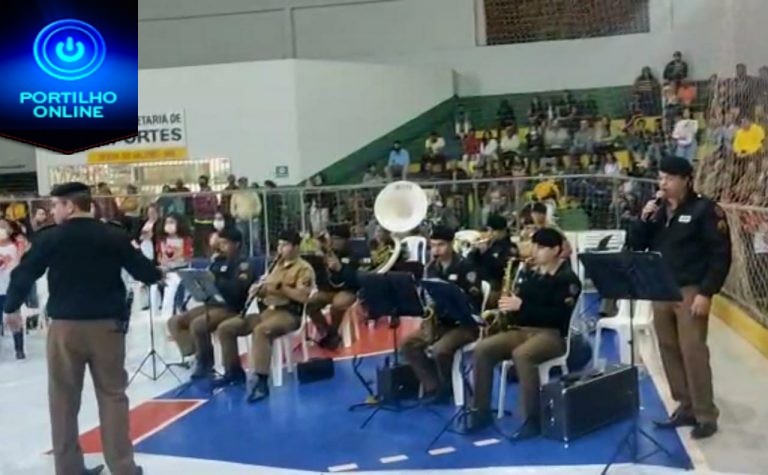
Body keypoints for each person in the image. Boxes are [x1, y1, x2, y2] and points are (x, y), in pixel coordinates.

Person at [3, 182, 160, 475]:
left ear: (70, 206)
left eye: (55, 205)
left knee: (62, 400)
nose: (53, 211)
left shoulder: (50, 238)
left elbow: (24, 273)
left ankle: (69, 468)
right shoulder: (114, 235)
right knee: (113, 397)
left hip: (65, 330)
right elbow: (146, 273)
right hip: (107, 329)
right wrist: (156, 272)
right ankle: (123, 467)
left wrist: (11, 307)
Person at [632, 156, 731, 440]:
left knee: (692, 350)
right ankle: (685, 405)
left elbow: (720, 254)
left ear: (686, 180)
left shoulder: (705, 210)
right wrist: (643, 219)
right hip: (661, 287)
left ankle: (705, 414)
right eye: (661, 177)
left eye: (670, 178)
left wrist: (706, 292)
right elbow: (636, 244)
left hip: (690, 289)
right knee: (668, 348)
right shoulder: (658, 211)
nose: (663, 183)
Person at [467, 228, 581, 439]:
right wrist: (507, 310)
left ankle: (533, 418)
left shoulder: (567, 280)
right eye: (534, 246)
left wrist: (522, 306)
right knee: (483, 348)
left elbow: (559, 316)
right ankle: (480, 410)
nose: (535, 251)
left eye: (541, 247)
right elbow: (521, 305)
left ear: (555, 250)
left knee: (523, 355)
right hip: (523, 330)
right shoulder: (530, 274)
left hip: (552, 335)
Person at [215, 230, 315, 401]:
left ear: (296, 247)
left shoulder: (304, 268)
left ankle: (261, 382)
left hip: (288, 313)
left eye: (285, 245)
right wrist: (258, 290)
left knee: (261, 331)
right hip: (267, 311)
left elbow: (303, 297)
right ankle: (233, 372)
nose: (280, 248)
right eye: (279, 244)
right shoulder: (274, 266)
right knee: (226, 327)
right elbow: (267, 290)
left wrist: (281, 288)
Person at [400, 225, 482, 404]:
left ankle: (448, 386)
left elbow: (474, 301)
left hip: (463, 325)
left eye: (441, 245)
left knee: (440, 350)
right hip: (441, 323)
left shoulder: (466, 267)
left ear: (451, 244)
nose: (436, 250)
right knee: (408, 344)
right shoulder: (431, 268)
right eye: (433, 245)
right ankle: (433, 386)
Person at [167, 227, 255, 378]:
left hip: (231, 307)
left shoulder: (243, 264)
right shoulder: (218, 261)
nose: (222, 247)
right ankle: (194, 355)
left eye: (225, 243)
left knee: (198, 324)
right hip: (213, 303)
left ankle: (206, 363)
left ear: (236, 244)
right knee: (175, 321)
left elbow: (238, 290)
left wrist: (217, 280)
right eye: (220, 243)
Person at [305, 224, 359, 350]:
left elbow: (356, 278)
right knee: (310, 304)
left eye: (338, 239)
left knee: (338, 304)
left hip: (348, 290)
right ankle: (325, 331)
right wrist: (320, 261)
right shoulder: (326, 253)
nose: (335, 242)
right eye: (332, 238)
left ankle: (333, 332)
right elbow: (319, 278)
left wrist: (340, 269)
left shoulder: (354, 254)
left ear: (346, 240)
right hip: (328, 290)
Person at [468, 214, 517, 309]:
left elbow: (498, 269)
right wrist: (475, 252)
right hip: (478, 280)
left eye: (493, 231)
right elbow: (471, 263)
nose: (490, 234)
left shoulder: (509, 248)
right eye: (488, 230)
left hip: (494, 285)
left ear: (503, 231)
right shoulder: (490, 244)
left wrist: (485, 253)